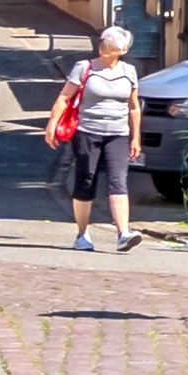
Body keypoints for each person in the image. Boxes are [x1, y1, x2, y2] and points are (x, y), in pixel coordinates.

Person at [51, 25, 142, 252]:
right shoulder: (85, 68)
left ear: (121, 50)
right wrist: (52, 124)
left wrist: (135, 137)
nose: (104, 50)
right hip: (87, 132)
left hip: (118, 134)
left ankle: (123, 234)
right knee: (86, 180)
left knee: (118, 180)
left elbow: (133, 107)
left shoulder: (129, 72)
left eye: (110, 47)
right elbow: (64, 97)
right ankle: (82, 235)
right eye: (103, 44)